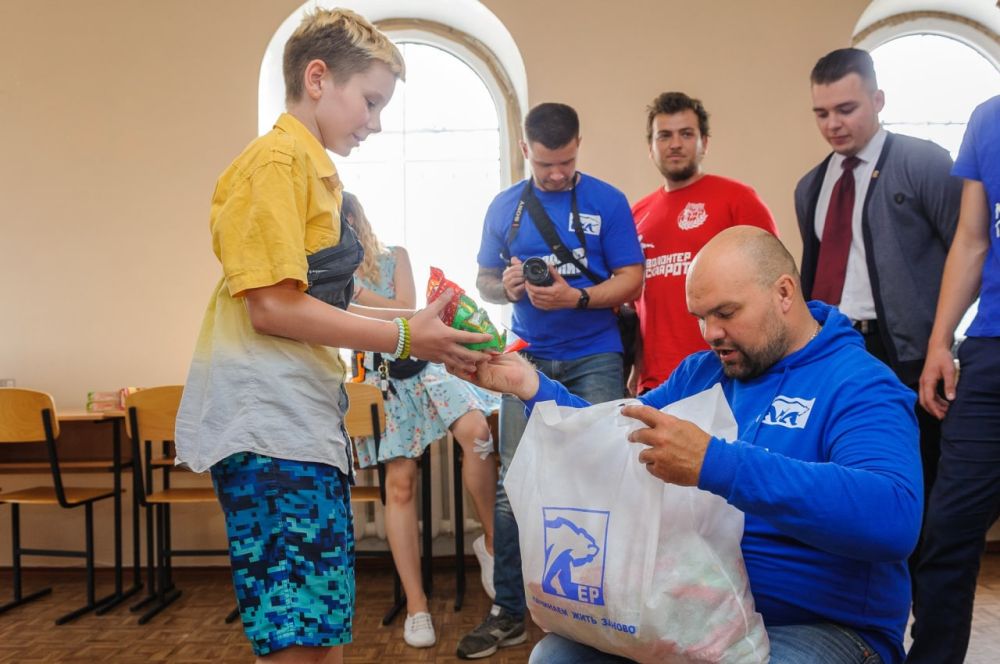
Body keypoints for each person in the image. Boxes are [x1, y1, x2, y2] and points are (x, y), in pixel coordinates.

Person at [173, 10, 490, 664]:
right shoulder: (275, 163)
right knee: (299, 636)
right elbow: (271, 308)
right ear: (318, 78)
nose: (374, 122)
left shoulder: (313, 173)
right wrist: (406, 337)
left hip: (298, 424)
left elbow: (314, 306)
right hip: (270, 429)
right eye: (370, 101)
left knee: (320, 630)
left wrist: (419, 331)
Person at [465, 226, 922, 664]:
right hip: (698, 614)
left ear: (784, 294)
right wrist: (529, 385)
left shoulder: (860, 384)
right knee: (554, 656)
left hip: (821, 624)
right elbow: (613, 438)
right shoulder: (703, 373)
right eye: (701, 318)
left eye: (725, 313)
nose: (710, 333)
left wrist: (716, 464)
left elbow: (894, 517)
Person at [458, 102, 644, 659]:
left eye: (565, 162)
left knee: (610, 478)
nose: (557, 174)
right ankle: (508, 610)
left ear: (579, 146)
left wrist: (577, 297)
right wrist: (508, 286)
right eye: (545, 165)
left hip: (596, 357)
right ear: (525, 152)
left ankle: (617, 609)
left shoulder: (608, 202)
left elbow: (632, 280)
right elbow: (484, 279)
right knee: (516, 489)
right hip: (527, 361)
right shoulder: (505, 207)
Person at [794, 47, 961, 573]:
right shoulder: (812, 185)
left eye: (846, 109)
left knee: (915, 493)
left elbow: (971, 252)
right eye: (822, 113)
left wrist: (944, 343)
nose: (833, 124)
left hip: (911, 358)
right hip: (836, 355)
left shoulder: (923, 162)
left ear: (878, 99)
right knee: (839, 486)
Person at [342, 192, 500, 649]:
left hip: (427, 367)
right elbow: (347, 316)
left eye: (346, 223)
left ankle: (490, 544)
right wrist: (340, 289)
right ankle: (416, 606)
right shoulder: (326, 272)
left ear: (358, 221)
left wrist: (348, 292)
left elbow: (408, 307)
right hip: (384, 380)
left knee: (478, 433)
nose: (342, 233)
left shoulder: (395, 257)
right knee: (401, 482)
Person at [908, 95, 1000, 663]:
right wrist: (942, 341)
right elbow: (971, 238)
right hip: (990, 346)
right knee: (946, 528)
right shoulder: (988, 119)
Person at [630, 91, 777, 395]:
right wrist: (637, 368)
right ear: (650, 147)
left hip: (725, 376)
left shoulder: (738, 200)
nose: (675, 144)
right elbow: (637, 305)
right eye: (664, 135)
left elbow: (771, 284)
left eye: (686, 134)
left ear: (704, 142)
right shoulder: (637, 214)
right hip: (658, 382)